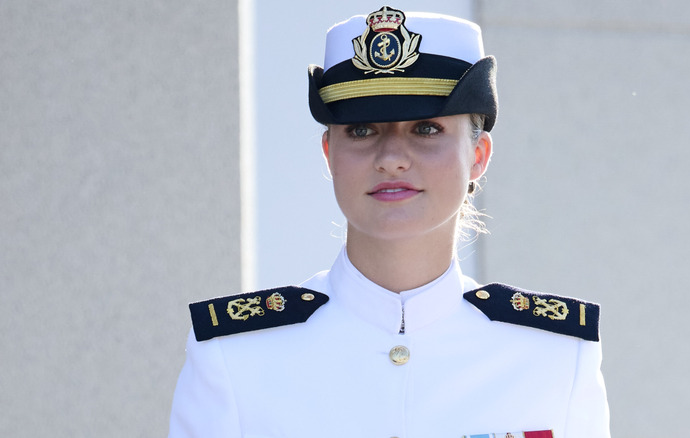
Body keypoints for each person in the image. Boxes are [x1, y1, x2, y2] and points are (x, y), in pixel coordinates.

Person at [168, 6, 610, 438]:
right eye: (362, 131)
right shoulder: (234, 358)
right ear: (329, 153)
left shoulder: (555, 356)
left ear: (477, 157)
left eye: (426, 129)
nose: (392, 159)